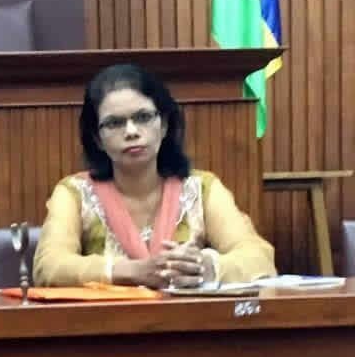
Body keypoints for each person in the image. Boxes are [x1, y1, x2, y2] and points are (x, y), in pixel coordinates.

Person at [33, 64, 276, 288]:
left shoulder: (201, 188)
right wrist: (131, 271)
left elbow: (259, 258)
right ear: (97, 139)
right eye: (114, 123)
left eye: (143, 117)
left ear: (164, 125)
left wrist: (207, 268)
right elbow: (49, 267)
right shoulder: (75, 193)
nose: (131, 132)